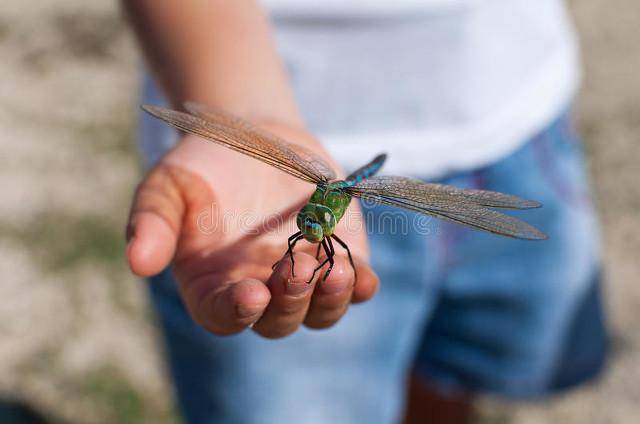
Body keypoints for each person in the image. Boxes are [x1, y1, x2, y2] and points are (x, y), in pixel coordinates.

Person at [123, 1, 608, 422]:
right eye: (309, 223)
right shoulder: (308, 220)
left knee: (444, 380)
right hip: (256, 87)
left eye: (315, 223)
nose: (310, 229)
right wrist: (241, 103)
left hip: (514, 118)